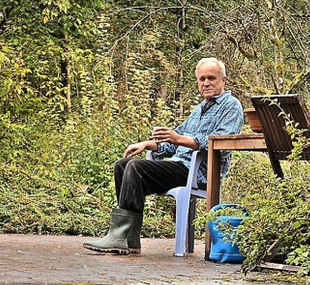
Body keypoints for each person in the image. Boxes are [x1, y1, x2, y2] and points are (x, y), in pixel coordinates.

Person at [84, 57, 244, 254]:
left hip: (200, 172)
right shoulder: (198, 110)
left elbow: (222, 142)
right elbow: (171, 142)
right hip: (178, 167)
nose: (206, 83)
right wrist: (146, 144)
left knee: (136, 167)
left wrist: (179, 140)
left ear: (223, 80)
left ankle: (121, 236)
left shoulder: (231, 105)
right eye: (202, 79)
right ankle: (128, 239)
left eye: (211, 78)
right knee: (123, 164)